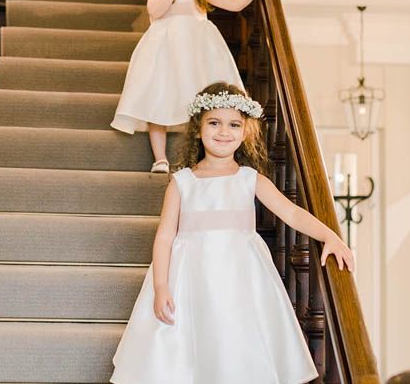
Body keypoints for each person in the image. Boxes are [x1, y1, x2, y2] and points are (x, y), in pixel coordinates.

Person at [110, 82, 354, 384]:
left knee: (236, 343)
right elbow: (164, 237)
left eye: (234, 124)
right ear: (198, 128)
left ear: (245, 131)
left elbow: (290, 212)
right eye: (214, 122)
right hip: (191, 278)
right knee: (193, 347)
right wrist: (161, 286)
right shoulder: (182, 182)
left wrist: (329, 234)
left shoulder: (250, 179)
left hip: (241, 279)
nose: (224, 131)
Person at [110, 0, 278, 173]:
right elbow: (155, 11)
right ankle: (160, 158)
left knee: (200, 99)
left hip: (196, 51)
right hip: (164, 49)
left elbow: (232, 4)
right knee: (159, 97)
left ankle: (197, 156)